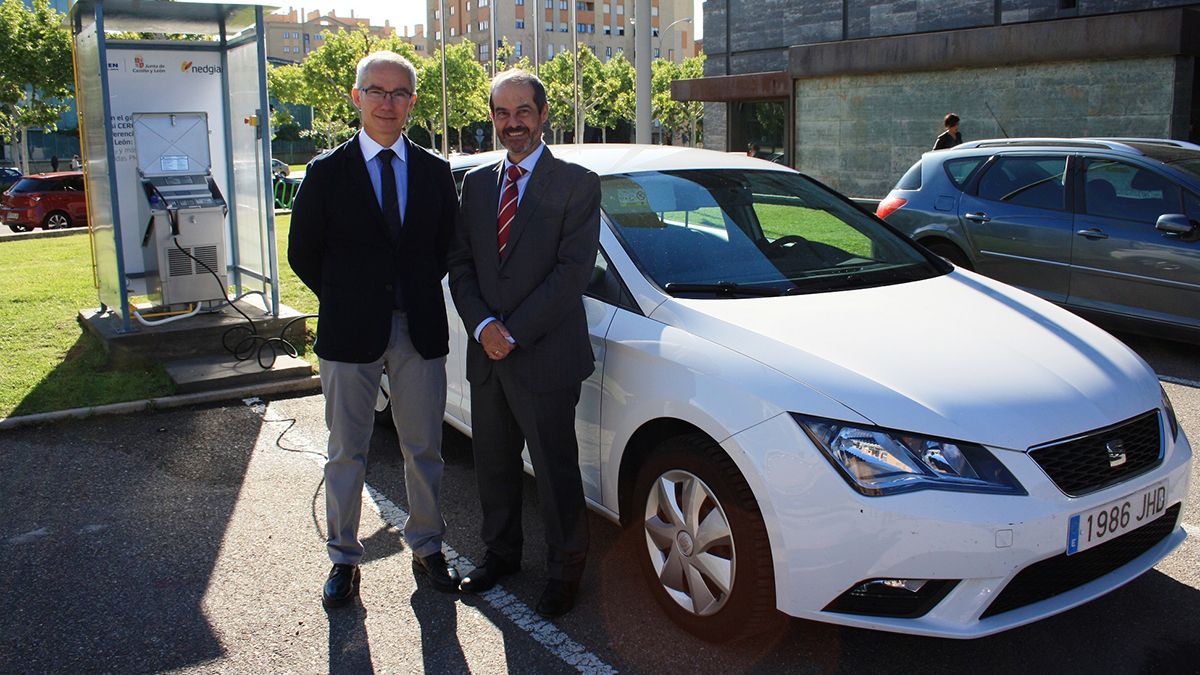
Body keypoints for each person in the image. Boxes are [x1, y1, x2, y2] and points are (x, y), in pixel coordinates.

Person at [288, 50, 460, 608]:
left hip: (419, 331)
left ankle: (427, 547)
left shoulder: (434, 171)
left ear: (412, 102)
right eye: (377, 91)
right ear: (357, 97)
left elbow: (444, 248)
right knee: (346, 452)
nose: (389, 103)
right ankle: (343, 558)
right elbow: (303, 254)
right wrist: (351, 298)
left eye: (400, 93)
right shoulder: (325, 172)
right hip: (348, 333)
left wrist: (402, 294)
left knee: (424, 448)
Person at [448, 69, 601, 618]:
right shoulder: (478, 184)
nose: (512, 124)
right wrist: (483, 327)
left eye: (523, 112)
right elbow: (461, 265)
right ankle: (501, 555)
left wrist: (511, 332)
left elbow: (572, 273)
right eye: (502, 114)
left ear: (542, 115)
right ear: (492, 118)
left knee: (555, 472)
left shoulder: (577, 185)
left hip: (545, 357)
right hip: (487, 357)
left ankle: (565, 572)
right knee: (493, 465)